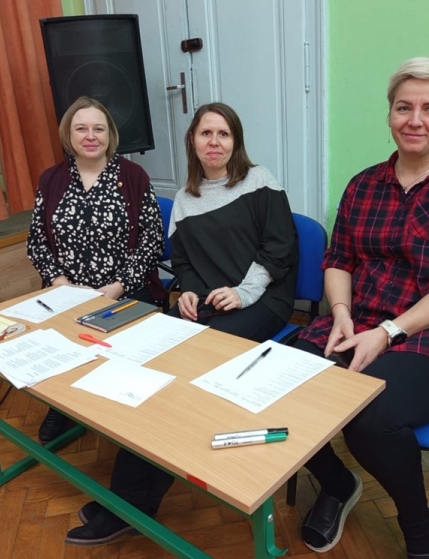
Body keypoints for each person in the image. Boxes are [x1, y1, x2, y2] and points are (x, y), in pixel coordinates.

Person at [292, 57, 429, 559]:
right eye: (404, 107)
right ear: (389, 114)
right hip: (362, 319)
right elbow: (339, 259)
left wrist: (389, 331)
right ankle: (338, 484)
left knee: (370, 417)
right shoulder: (363, 184)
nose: (415, 120)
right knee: (281, 386)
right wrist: (340, 312)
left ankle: (422, 529)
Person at [64, 101, 299, 546]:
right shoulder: (187, 199)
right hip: (208, 304)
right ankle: (132, 496)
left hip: (263, 301)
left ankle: (131, 503)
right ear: (193, 140)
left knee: (179, 374)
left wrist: (244, 292)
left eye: (224, 134)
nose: (215, 142)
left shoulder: (259, 180)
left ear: (235, 141)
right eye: (206, 133)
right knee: (142, 361)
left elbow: (281, 247)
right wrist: (187, 290)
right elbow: (184, 261)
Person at [27, 96, 166, 444]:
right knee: (57, 348)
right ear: (69, 134)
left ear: (110, 135)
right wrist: (60, 283)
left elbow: (152, 241)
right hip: (65, 293)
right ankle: (60, 403)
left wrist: (119, 286)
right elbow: (36, 242)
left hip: (123, 291)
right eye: (81, 128)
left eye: (98, 129)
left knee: (127, 358)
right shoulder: (51, 179)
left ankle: (119, 407)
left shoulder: (133, 176)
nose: (90, 136)